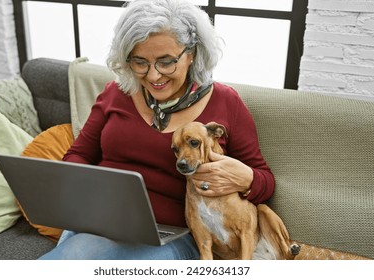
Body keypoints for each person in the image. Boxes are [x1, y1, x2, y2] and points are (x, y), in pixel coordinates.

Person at [39, 0, 275, 260]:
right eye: (140, 62)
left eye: (166, 62)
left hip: (174, 236)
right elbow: (78, 155)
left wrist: (247, 179)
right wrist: (85, 188)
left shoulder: (225, 102)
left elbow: (265, 182)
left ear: (192, 53)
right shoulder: (116, 93)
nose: (153, 76)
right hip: (102, 219)